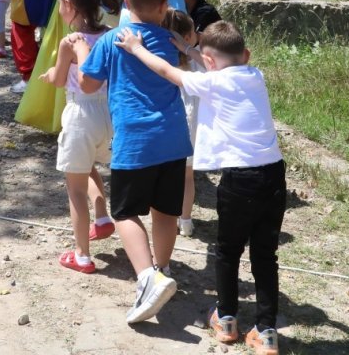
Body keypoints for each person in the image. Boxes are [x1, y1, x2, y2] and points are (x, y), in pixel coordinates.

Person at [115, 19, 285, 354]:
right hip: (274, 175)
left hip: (240, 180)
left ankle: (226, 318)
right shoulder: (255, 76)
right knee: (266, 256)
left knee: (227, 251)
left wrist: (136, 48)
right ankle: (266, 333)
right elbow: (217, 61)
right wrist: (188, 49)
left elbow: (167, 72)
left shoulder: (212, 84)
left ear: (208, 63)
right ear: (246, 54)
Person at [78, 0, 192, 324]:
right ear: (164, 5)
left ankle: (147, 277)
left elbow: (87, 85)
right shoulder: (172, 41)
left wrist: (83, 49)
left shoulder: (114, 39)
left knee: (126, 212)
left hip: (135, 142)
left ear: (126, 2)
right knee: (165, 210)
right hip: (174, 141)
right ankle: (163, 266)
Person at [39, 0, 121, 274]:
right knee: (87, 167)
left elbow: (61, 80)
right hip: (108, 115)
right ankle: (101, 217)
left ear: (69, 5)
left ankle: (82, 254)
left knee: (74, 187)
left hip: (80, 114)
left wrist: (50, 75)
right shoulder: (110, 34)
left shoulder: (71, 42)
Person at [161, 9, 203, 237]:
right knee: (187, 176)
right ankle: (185, 221)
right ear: (186, 38)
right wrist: (190, 49)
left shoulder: (162, 61)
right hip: (192, 123)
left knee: (166, 174)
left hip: (168, 122)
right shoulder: (198, 61)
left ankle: (166, 218)